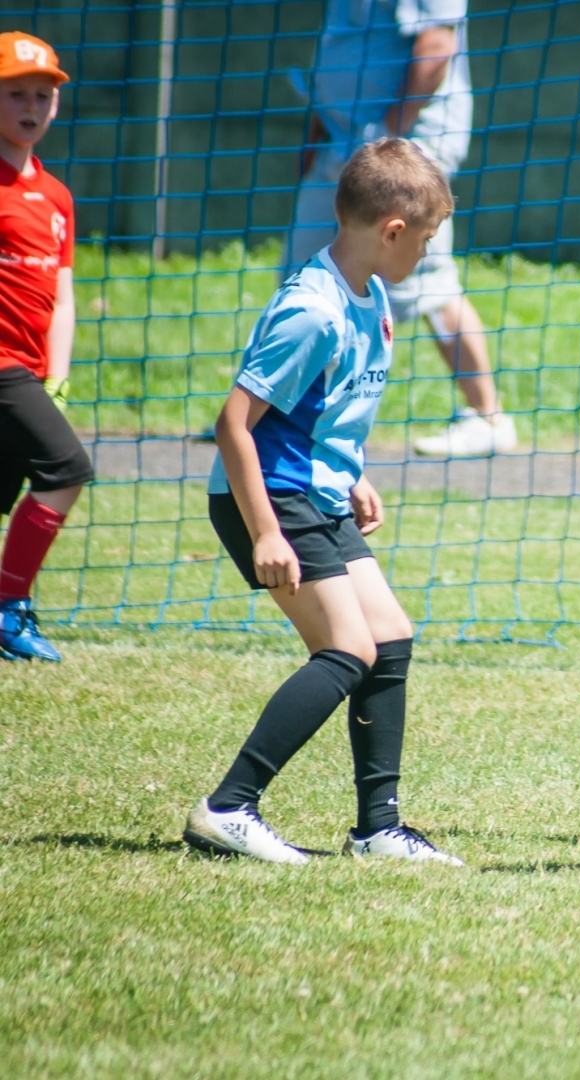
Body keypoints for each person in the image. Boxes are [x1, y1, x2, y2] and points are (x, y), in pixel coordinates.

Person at [183, 139, 462, 866]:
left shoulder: (371, 297)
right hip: (272, 499)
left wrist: (352, 472)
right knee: (347, 647)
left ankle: (378, 828)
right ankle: (228, 808)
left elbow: (326, 411)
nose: (427, 255)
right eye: (426, 241)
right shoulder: (312, 310)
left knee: (390, 636)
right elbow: (233, 424)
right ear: (392, 230)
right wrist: (266, 532)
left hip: (316, 491)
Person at [292, 0, 515, 458]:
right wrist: (320, 128)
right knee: (305, 275)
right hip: (340, 143)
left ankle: (488, 417)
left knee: (429, 285)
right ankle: (277, 415)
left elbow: (436, 43)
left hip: (392, 146)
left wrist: (389, 135)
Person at [0, 32, 91, 663]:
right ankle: (7, 608)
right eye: (15, 94)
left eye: (42, 95)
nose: (32, 107)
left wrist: (56, 374)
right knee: (68, 469)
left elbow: (62, 289)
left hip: (30, 372)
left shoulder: (57, 196)